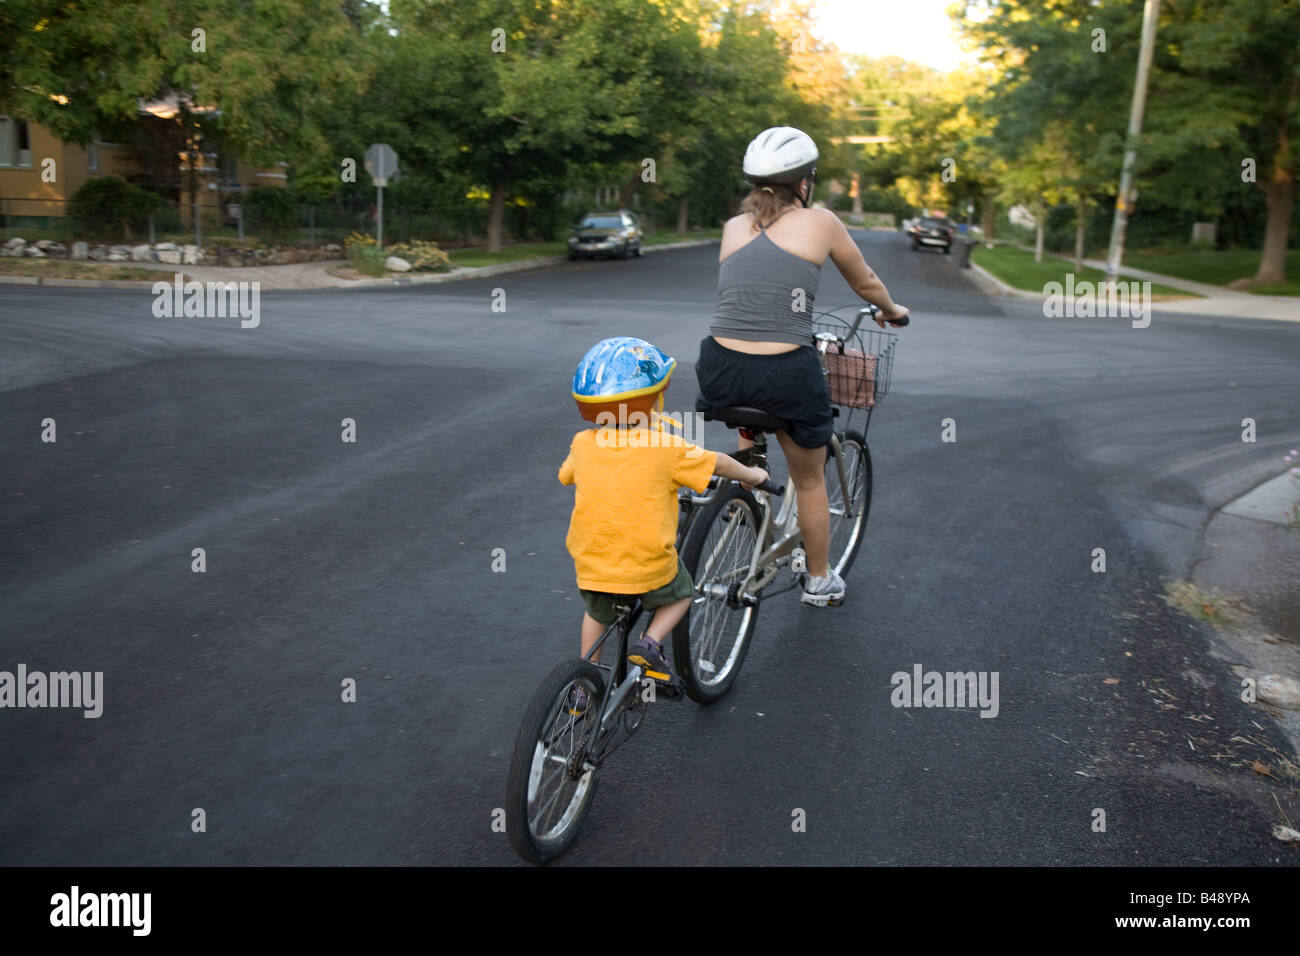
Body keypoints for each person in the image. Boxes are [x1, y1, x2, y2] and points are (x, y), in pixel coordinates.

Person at [695, 126, 909, 607]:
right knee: (810, 478)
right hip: (785, 372)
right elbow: (867, 283)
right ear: (804, 183)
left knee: (750, 402)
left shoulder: (733, 226)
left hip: (719, 366)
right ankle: (817, 580)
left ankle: (746, 478)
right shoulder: (821, 222)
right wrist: (893, 311)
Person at [559, 337, 768, 714]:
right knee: (683, 591)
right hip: (647, 565)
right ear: (652, 402)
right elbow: (717, 463)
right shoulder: (667, 447)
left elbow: (566, 475)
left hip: (592, 564)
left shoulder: (582, 443)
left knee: (596, 612)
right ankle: (651, 643)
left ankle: (584, 680)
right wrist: (752, 475)